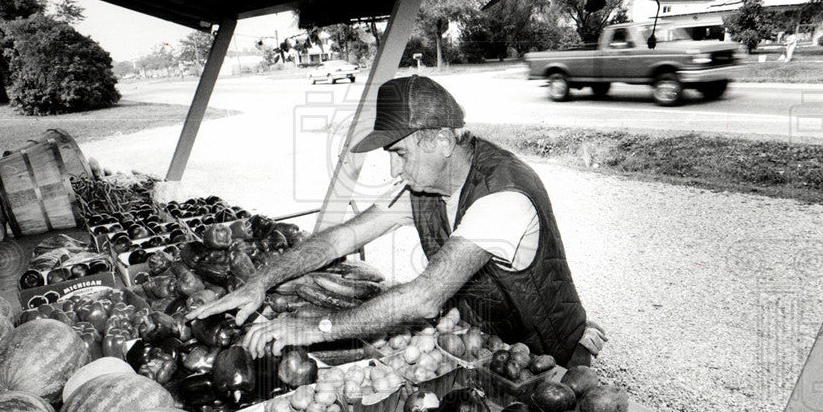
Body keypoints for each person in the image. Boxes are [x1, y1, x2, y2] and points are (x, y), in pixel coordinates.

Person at [188, 75, 606, 367]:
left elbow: (424, 297)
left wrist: (318, 327)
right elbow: (340, 240)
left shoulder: (503, 196)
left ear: (442, 140)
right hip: (490, 352)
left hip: (551, 361)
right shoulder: (425, 187)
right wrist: (261, 280)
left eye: (400, 153)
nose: (392, 170)